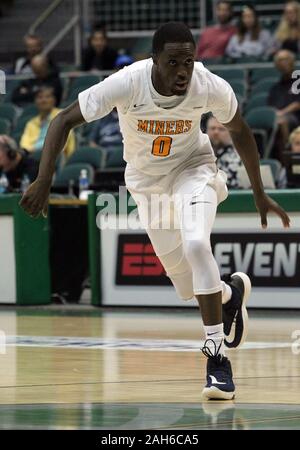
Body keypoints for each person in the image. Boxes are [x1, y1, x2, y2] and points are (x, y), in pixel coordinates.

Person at [20, 22, 290, 401]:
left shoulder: (208, 84)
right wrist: (44, 179)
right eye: (173, 62)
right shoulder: (128, 82)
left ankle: (217, 360)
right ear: (154, 60)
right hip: (147, 185)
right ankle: (229, 294)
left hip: (194, 169)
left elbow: (241, 131)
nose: (183, 71)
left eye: (189, 61)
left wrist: (260, 191)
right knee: (187, 286)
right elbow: (63, 119)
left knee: (197, 245)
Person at [20, 86, 75, 162]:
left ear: (54, 100)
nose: (44, 100)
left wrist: (34, 150)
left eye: (48, 97)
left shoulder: (62, 116)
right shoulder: (31, 123)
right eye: (40, 97)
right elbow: (24, 145)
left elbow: (59, 142)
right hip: (33, 159)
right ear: (35, 101)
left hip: (56, 159)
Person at [268, 49, 300, 160]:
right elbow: (270, 106)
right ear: (276, 65)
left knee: (282, 120)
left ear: (292, 61)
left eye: (286, 59)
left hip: (296, 117)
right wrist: (275, 114)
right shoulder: (275, 87)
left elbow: (297, 104)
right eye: (280, 60)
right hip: (277, 118)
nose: (283, 62)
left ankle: (287, 156)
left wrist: (281, 113)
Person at [206, 115, 242, 189]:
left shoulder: (239, 158)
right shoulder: (200, 153)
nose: (216, 132)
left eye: (221, 129)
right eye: (212, 128)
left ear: (230, 133)